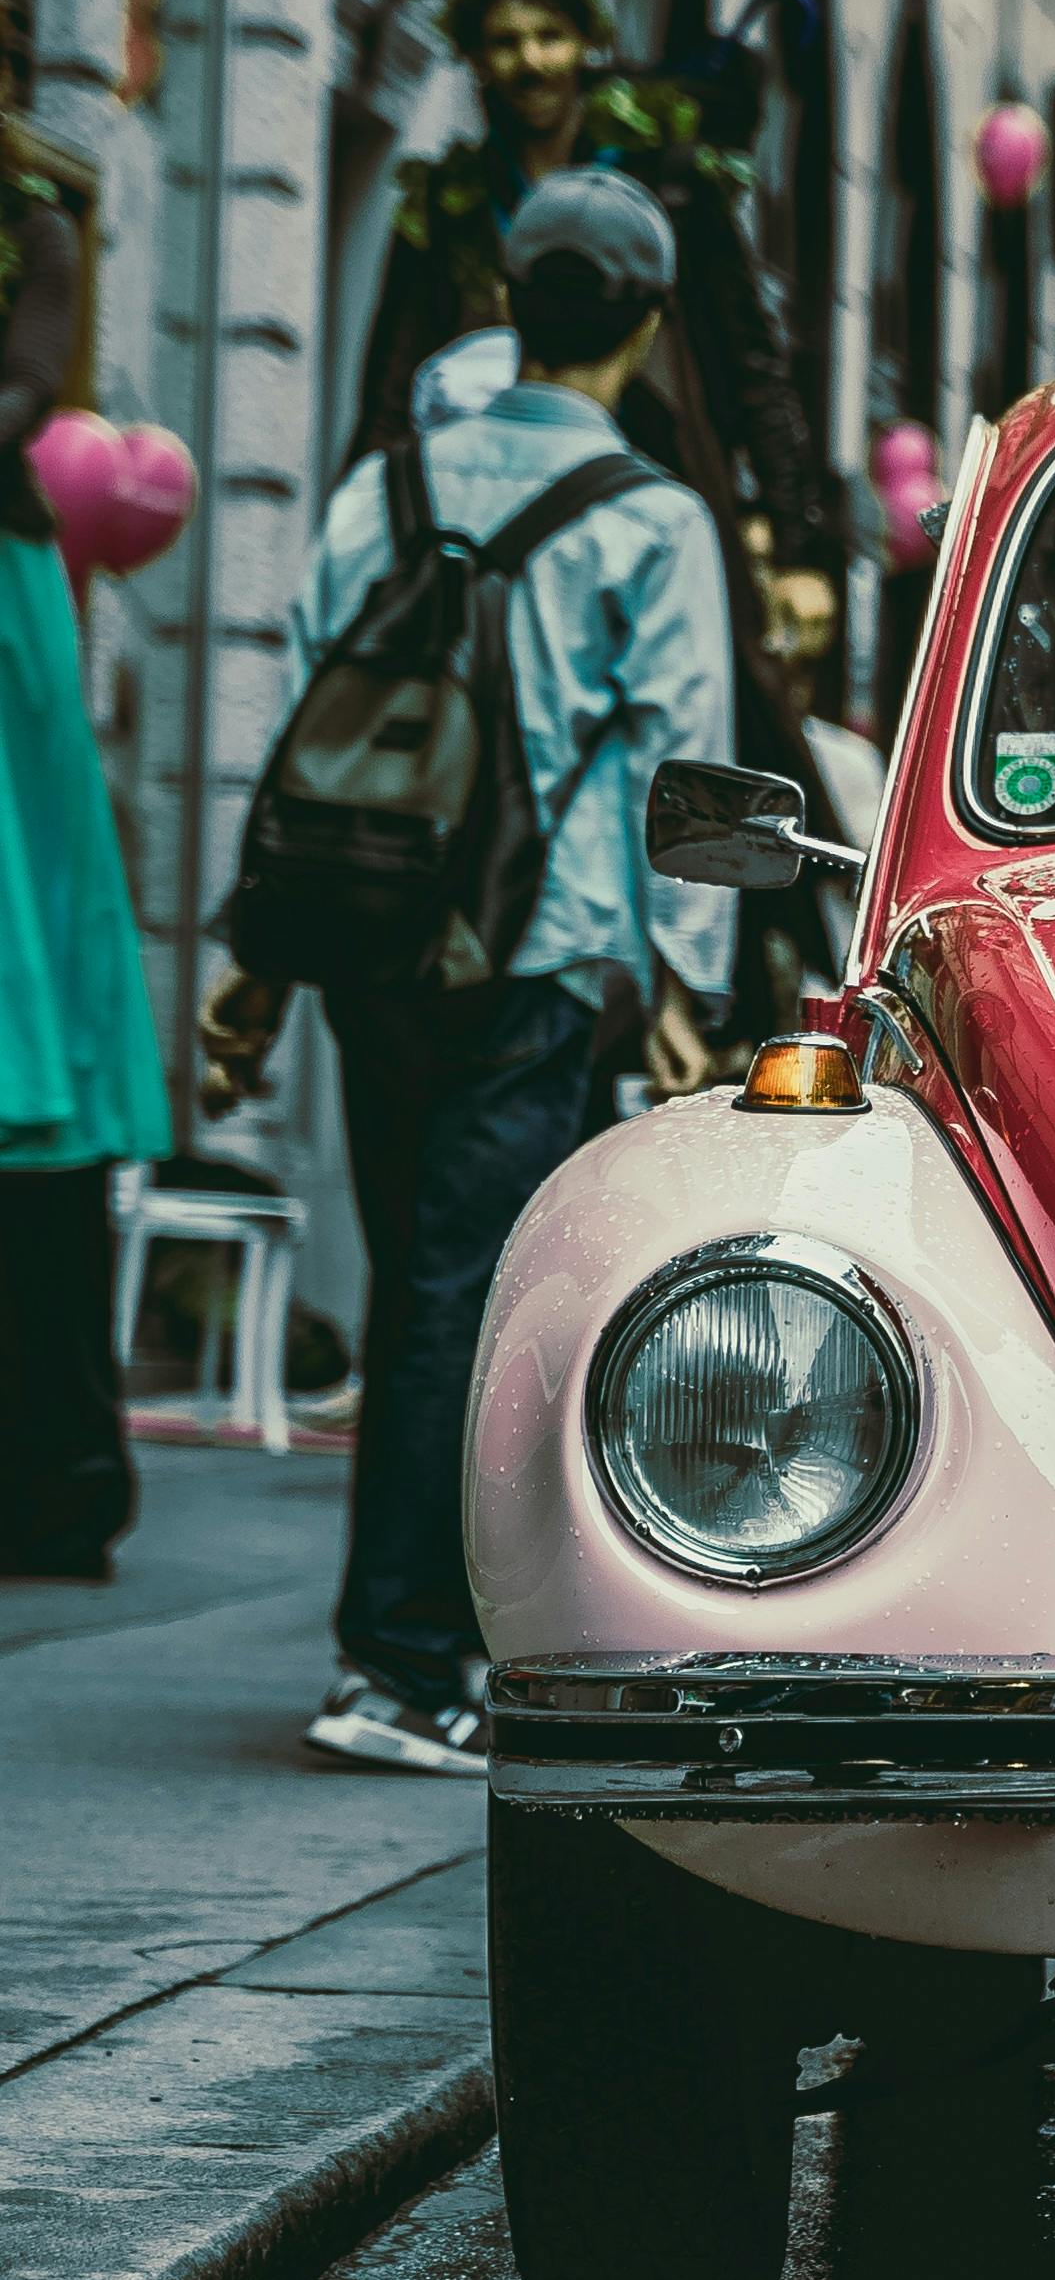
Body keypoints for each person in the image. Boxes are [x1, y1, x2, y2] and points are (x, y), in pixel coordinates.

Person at [199, 170, 736, 1770]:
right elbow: (679, 769)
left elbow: (304, 711)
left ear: (505, 299)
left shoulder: (383, 482)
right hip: (539, 947)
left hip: (370, 941)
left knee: (415, 1279)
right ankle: (405, 1662)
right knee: (466, 1293)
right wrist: (686, 979)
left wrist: (258, 952)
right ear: (644, 322)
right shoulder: (650, 519)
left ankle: (407, 1642)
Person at [346, 0, 838, 1070]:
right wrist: (382, 526)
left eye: (549, 37)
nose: (529, 63)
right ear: (476, 60)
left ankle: (724, 1010)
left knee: (722, 742)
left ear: (584, 44)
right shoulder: (452, 204)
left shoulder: (666, 182)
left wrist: (803, 546)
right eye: (505, 43)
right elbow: (387, 389)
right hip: (479, 537)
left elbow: (754, 367)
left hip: (646, 496)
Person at [0, 168, 169, 1578]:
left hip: (5, 605)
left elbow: (21, 395)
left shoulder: (33, 223)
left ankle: (58, 1468)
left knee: (29, 955)